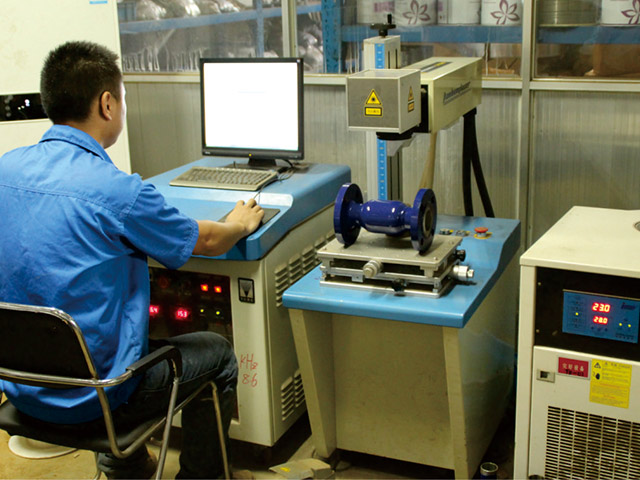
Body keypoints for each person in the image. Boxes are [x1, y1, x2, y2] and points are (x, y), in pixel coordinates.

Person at [0, 41, 264, 479]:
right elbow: (208, 241)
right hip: (98, 398)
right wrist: (239, 223)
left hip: (21, 390)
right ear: (107, 104)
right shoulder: (117, 191)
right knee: (217, 354)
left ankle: (127, 467)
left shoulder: (5, 171)